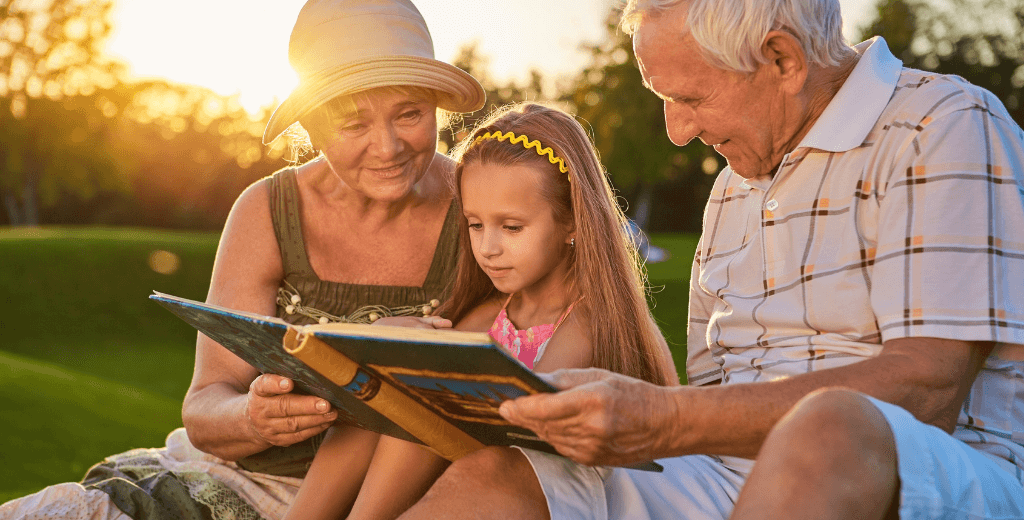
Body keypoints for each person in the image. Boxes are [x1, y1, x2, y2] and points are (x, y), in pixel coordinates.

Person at [399, 0, 1024, 519]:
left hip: (936, 472)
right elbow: (712, 393)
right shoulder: (731, 186)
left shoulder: (939, 125)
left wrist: (666, 419)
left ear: (782, 59)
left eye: (690, 97)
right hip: (724, 476)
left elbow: (928, 388)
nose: (675, 130)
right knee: (502, 477)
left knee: (825, 427)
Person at [0, 1, 485, 519]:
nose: (386, 146)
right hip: (243, 478)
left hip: (398, 496)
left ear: (436, 106)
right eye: (353, 124)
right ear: (313, 128)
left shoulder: (481, 206)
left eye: (409, 114)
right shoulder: (268, 210)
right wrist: (253, 418)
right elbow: (205, 407)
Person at [282, 102, 679, 520]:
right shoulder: (492, 314)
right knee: (374, 404)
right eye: (475, 225)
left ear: (573, 223)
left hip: (552, 493)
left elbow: (521, 439)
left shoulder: (588, 325)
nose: (488, 248)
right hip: (472, 480)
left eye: (511, 228)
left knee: (418, 407)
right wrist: (388, 341)